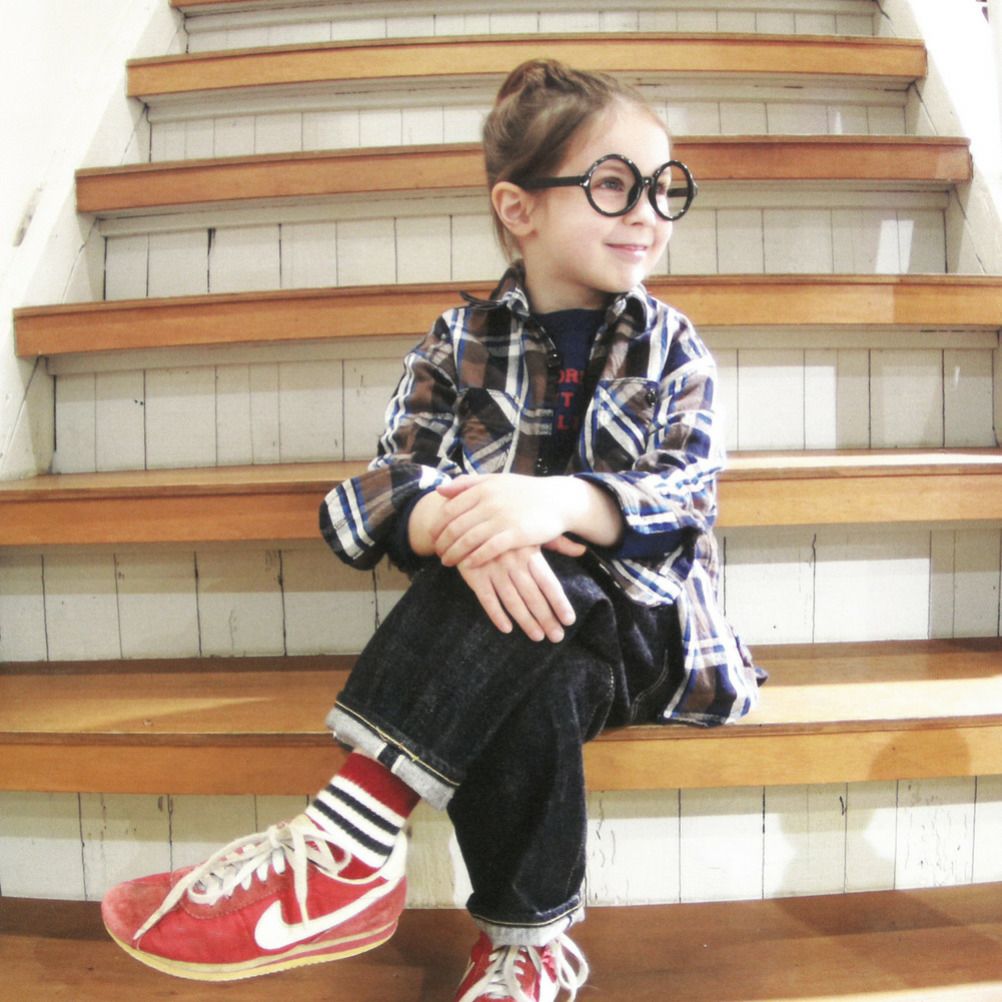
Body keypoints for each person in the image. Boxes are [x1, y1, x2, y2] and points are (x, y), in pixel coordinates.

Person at [101, 58, 762, 1001]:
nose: (649, 213)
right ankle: (527, 950)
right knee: (521, 647)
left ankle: (347, 839)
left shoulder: (672, 345)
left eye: (665, 188)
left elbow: (686, 496)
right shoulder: (456, 342)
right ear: (519, 208)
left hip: (643, 636)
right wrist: (452, 520)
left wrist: (553, 505)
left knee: (528, 576)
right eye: (615, 185)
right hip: (523, 640)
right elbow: (378, 491)